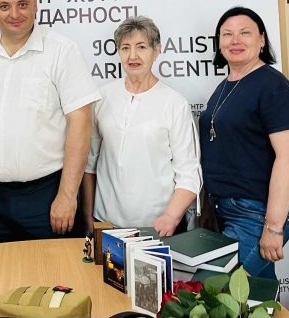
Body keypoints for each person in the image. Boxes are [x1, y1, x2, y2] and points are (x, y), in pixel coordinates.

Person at [0, 0, 101, 244]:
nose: (15, 13)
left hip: (48, 195)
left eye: (22, 4)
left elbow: (81, 120)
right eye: (4, 6)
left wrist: (67, 194)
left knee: (55, 271)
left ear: (35, 3)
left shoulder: (62, 51)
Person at [199, 7, 289, 280]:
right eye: (227, 34)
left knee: (208, 291)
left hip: (256, 215)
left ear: (262, 40)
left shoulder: (274, 87)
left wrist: (273, 227)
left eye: (245, 33)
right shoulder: (226, 85)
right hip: (227, 210)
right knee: (257, 294)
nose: (235, 40)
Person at [82, 16, 200, 236]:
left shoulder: (174, 103)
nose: (133, 56)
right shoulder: (102, 97)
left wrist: (170, 218)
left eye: (141, 47)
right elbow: (90, 164)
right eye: (125, 48)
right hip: (105, 223)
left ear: (157, 51)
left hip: (159, 227)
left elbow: (189, 173)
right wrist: (88, 217)